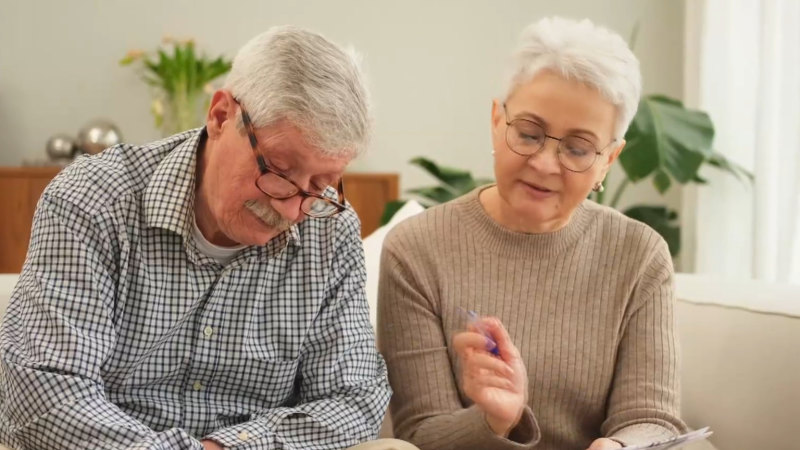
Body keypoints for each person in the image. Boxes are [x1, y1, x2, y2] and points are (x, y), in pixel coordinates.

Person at [0, 26, 405, 450]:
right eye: (280, 171)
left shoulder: (329, 229)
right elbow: (46, 397)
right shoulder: (94, 200)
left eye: (321, 184)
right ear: (220, 116)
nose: (291, 210)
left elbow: (354, 399)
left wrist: (228, 447)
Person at [378, 17, 688, 450]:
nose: (544, 163)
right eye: (528, 133)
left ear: (609, 160)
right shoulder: (417, 249)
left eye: (577, 149)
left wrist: (619, 446)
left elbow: (651, 418)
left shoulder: (639, 254)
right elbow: (421, 434)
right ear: (495, 120)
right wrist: (495, 421)